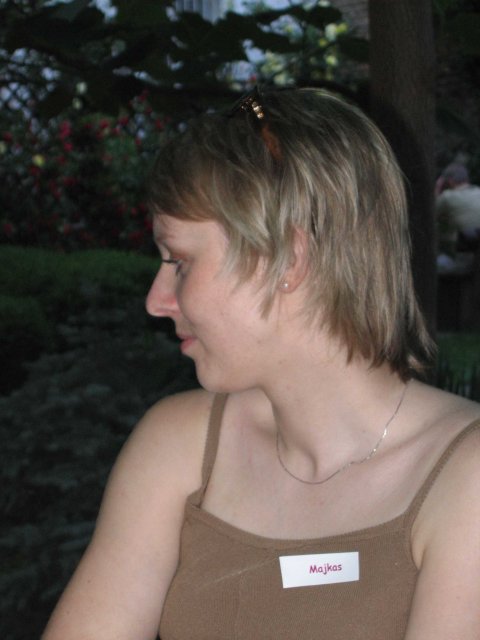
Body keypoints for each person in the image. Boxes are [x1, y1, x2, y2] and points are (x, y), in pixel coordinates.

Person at [42, 88, 480, 640]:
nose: (156, 301)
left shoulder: (465, 476)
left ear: (288, 259)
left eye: (180, 262)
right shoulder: (178, 444)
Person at [436, 162, 480, 252]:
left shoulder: (447, 196)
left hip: (466, 244)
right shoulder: (478, 191)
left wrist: (438, 187)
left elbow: (432, 213)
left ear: (450, 181)